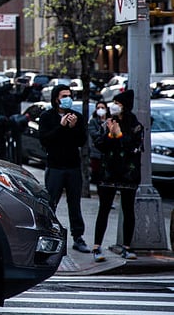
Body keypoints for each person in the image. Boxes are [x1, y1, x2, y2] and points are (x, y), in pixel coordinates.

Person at [90, 89, 143, 262]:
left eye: (118, 104)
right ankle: (97, 246)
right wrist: (109, 134)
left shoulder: (135, 125)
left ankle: (127, 247)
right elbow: (99, 144)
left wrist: (119, 135)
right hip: (108, 172)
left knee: (128, 209)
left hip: (128, 173)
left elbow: (134, 147)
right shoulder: (108, 123)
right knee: (104, 208)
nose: (114, 107)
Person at [39, 83, 90, 253]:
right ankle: (48, 234)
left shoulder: (77, 117)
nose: (67, 99)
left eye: (69, 95)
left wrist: (73, 128)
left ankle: (78, 237)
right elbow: (45, 140)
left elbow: (81, 141)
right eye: (63, 96)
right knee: (51, 202)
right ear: (56, 99)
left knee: (74, 203)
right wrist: (61, 127)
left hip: (73, 166)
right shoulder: (47, 117)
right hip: (55, 166)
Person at [87, 100, 109, 183]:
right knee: (97, 175)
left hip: (107, 154)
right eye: (98, 108)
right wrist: (103, 128)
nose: (100, 109)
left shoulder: (110, 120)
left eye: (102, 108)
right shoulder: (93, 121)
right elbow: (94, 134)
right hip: (96, 154)